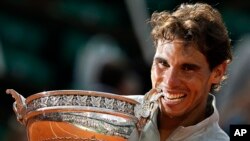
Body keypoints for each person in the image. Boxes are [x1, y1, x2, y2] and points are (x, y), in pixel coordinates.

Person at [128, 2, 232, 141]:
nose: (170, 82)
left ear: (218, 72)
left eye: (187, 68)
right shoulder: (113, 115)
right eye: (163, 63)